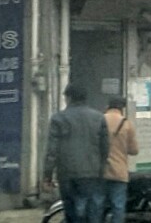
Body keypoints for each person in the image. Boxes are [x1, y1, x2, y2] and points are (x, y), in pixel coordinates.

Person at [43, 83, 109, 223]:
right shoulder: (98, 117)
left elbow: (52, 150)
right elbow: (105, 148)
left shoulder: (58, 118)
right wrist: (102, 169)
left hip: (67, 173)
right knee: (92, 212)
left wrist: (47, 176)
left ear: (68, 98)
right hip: (92, 173)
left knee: (71, 212)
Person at [103, 95, 139, 223]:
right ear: (122, 108)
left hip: (100, 171)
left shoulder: (100, 120)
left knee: (98, 205)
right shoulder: (126, 124)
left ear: (108, 106)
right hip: (119, 172)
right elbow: (134, 150)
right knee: (118, 206)